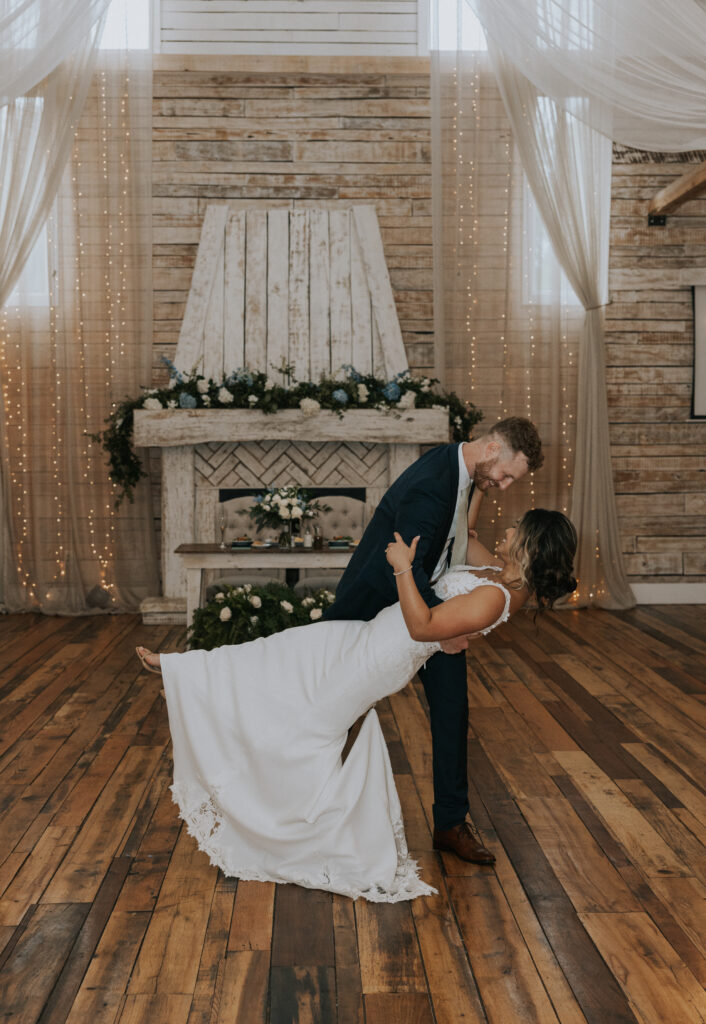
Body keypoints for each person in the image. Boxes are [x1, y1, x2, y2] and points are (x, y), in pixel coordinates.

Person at [136, 508, 577, 903]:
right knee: (278, 653)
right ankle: (182, 674)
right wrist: (471, 470)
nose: (507, 528)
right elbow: (464, 524)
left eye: (517, 527)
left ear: (530, 544)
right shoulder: (499, 575)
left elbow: (423, 627)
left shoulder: (495, 596)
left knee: (307, 720)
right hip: (365, 636)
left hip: (380, 657)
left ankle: (288, 825)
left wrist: (403, 569)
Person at [323, 417, 543, 865]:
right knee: (335, 706)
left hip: (432, 607)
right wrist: (439, 633)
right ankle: (312, 803)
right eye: (505, 475)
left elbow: (457, 536)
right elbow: (412, 566)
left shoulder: (463, 473)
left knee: (451, 710)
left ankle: (449, 824)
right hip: (381, 608)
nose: (502, 485)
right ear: (491, 449)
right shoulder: (432, 484)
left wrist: (443, 626)